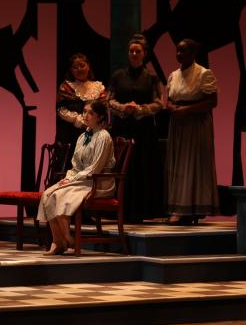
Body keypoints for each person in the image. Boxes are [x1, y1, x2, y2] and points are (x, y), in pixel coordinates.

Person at [37, 100, 116, 255]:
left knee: (61, 196)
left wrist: (73, 179)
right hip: (82, 179)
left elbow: (95, 168)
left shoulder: (103, 137)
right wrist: (70, 177)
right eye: (84, 112)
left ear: (100, 117)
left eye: (90, 113)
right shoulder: (83, 136)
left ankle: (67, 239)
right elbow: (76, 165)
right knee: (48, 194)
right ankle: (58, 241)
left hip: (98, 182)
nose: (85, 115)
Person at [108, 34, 164, 223]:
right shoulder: (118, 75)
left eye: (138, 51)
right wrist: (123, 108)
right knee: (122, 168)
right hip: (122, 127)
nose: (134, 54)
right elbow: (109, 100)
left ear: (144, 54)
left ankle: (142, 211)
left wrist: (140, 109)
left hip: (144, 130)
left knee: (142, 167)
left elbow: (159, 103)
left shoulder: (152, 78)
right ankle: (118, 208)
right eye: (131, 51)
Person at [166, 39, 220, 224]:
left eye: (183, 51)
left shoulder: (203, 73)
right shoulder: (173, 75)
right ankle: (178, 207)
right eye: (177, 51)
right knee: (178, 165)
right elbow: (169, 99)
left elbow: (212, 101)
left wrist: (187, 110)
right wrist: (171, 107)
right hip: (178, 124)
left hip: (196, 124)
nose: (179, 54)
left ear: (192, 53)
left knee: (193, 164)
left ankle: (193, 207)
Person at [56, 53, 107, 146]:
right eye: (75, 67)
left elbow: (104, 110)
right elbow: (60, 109)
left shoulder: (99, 87)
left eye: (82, 65)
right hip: (70, 135)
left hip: (94, 134)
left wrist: (93, 123)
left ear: (88, 66)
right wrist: (77, 120)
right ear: (71, 70)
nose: (79, 69)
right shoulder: (66, 87)